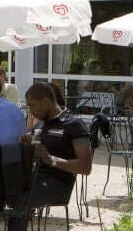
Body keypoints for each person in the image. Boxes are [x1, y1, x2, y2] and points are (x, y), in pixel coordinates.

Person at [9, 82, 92, 231]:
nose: (30, 111)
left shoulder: (73, 125)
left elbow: (85, 166)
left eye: (33, 106)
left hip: (56, 184)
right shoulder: (40, 125)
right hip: (33, 178)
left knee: (21, 197)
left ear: (46, 102)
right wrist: (26, 146)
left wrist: (52, 160)